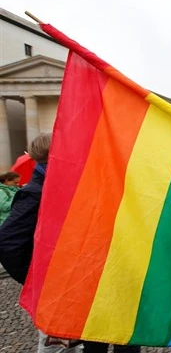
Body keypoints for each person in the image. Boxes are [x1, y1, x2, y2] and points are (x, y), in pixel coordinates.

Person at [0, 133, 82, 353]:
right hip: (50, 283)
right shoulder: (34, 193)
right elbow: (7, 242)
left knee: (71, 343)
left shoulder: (59, 185)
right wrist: (34, 277)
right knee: (54, 345)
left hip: (68, 280)